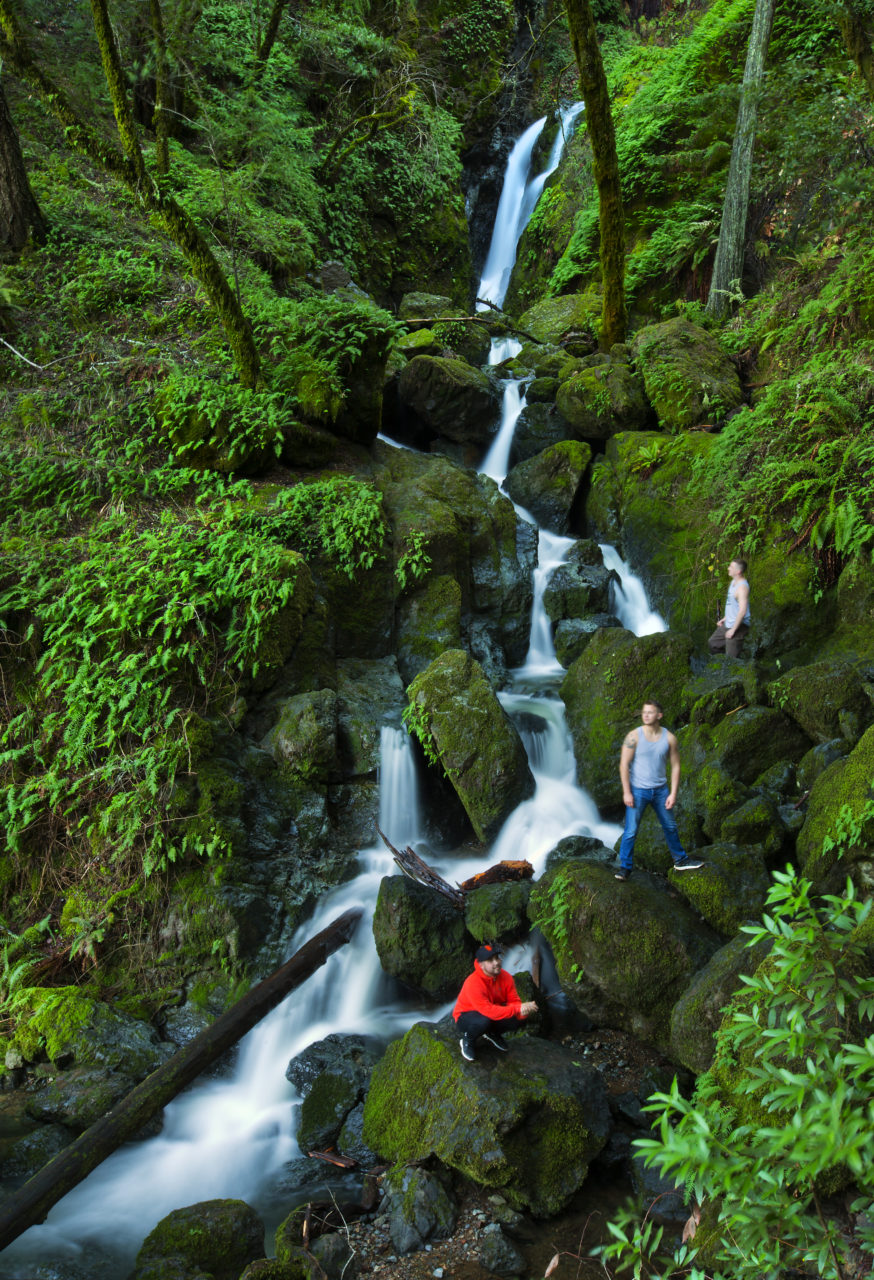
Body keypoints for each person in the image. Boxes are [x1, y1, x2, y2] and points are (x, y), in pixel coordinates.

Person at [615, 700, 704, 882]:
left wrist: (673, 793)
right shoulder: (634, 736)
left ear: (659, 715)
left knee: (670, 826)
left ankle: (680, 860)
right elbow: (624, 764)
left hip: (661, 790)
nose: (646, 715)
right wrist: (626, 792)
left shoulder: (669, 738)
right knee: (631, 830)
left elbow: (676, 766)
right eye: (644, 712)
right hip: (638, 790)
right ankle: (625, 868)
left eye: (650, 712)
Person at [453, 943, 538, 1061]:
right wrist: (517, 1009)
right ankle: (468, 1040)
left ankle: (491, 1033)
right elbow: (488, 1011)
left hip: (490, 1012)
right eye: (490, 960)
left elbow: (514, 1002)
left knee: (517, 1020)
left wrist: (523, 1011)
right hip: (465, 1016)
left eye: (497, 958)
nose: (496, 962)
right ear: (481, 965)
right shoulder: (473, 983)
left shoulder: (506, 977)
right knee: (484, 1021)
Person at [708, 558, 750, 658]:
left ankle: (738, 663)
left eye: (731, 567)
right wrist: (724, 619)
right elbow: (733, 606)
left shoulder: (742, 588)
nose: (728, 568)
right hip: (728, 623)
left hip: (739, 626)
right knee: (713, 643)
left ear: (738, 571)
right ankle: (722, 664)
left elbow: (742, 610)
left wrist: (733, 630)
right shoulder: (733, 582)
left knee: (731, 660)